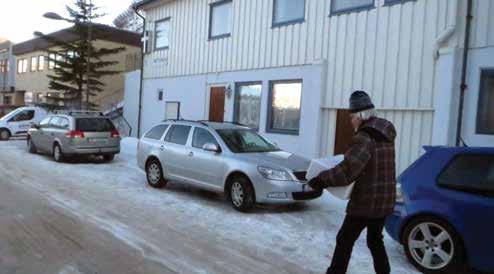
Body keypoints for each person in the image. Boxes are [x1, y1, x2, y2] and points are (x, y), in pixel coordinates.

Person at [308, 90, 397, 274]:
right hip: (385, 200)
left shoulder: (366, 137)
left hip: (366, 202)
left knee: (345, 239)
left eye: (352, 117)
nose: (351, 121)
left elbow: (348, 170)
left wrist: (321, 180)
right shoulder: (385, 131)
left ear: (359, 116)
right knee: (374, 240)